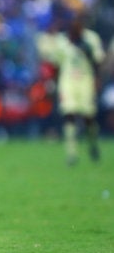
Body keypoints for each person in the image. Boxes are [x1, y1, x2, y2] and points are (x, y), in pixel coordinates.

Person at [36, 14, 105, 166]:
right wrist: (51, 83)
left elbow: (98, 61)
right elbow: (55, 64)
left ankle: (92, 142)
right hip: (67, 81)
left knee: (88, 115)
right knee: (69, 113)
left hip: (85, 80)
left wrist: (97, 79)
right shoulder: (62, 41)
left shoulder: (91, 39)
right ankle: (71, 153)